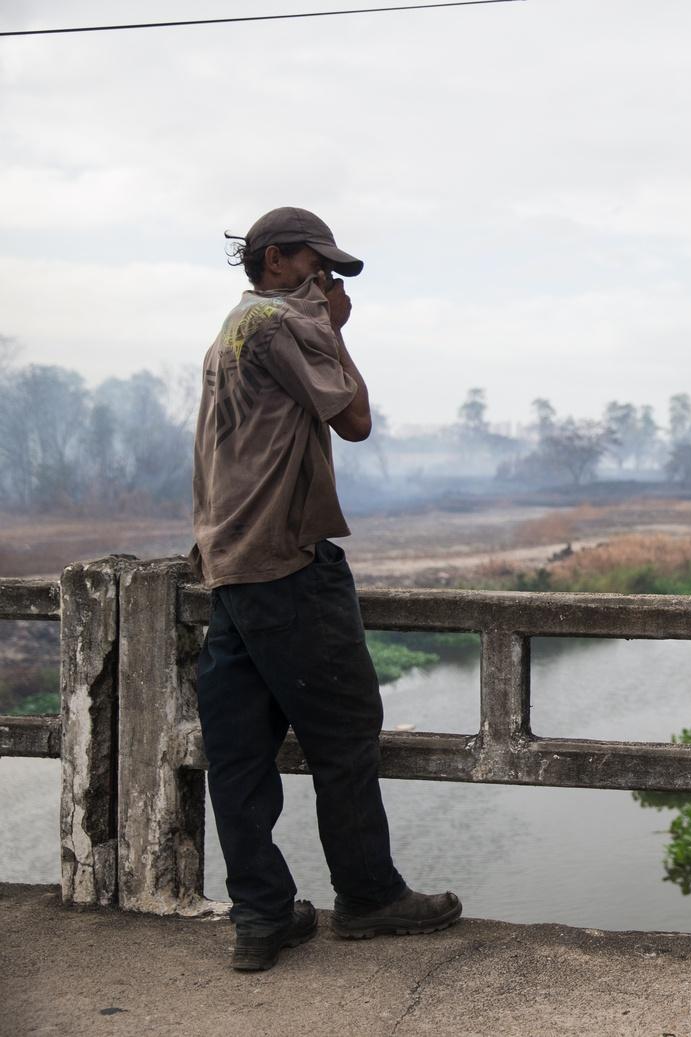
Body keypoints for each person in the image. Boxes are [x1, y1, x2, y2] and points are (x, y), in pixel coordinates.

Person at [191, 206, 461, 971]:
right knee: (343, 737)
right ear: (275, 258)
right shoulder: (284, 325)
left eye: (333, 273)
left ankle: (261, 916)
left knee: (238, 752)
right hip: (287, 562)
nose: (327, 281)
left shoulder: (232, 327)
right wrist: (339, 327)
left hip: (229, 563)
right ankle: (369, 896)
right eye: (317, 264)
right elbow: (357, 420)